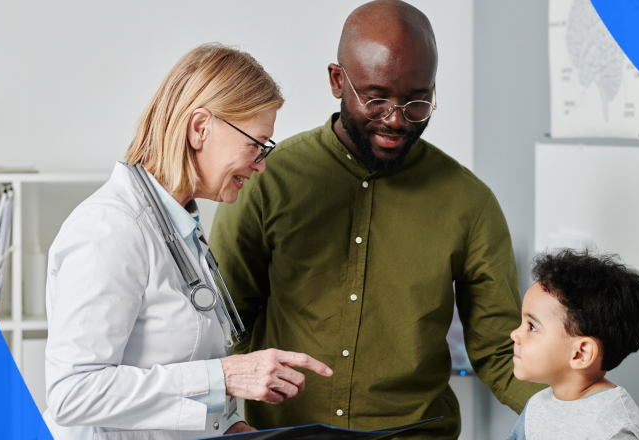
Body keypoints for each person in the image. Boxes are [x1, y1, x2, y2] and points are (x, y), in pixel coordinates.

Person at [209, 1, 545, 438]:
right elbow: (221, 324)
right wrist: (228, 418)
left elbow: (501, 351)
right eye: (377, 98)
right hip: (281, 432)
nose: (395, 121)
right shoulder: (265, 179)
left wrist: (582, 412)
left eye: (417, 103)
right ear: (337, 80)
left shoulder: (470, 204)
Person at [43, 43, 332, 440]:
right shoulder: (110, 228)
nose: (261, 165)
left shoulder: (180, 230)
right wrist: (224, 375)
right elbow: (72, 394)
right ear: (200, 128)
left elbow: (184, 382)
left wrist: (237, 429)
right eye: (256, 145)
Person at [506, 249, 639, 440]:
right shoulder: (537, 407)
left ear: (580, 353)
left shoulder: (616, 429)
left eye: (532, 327)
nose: (514, 334)